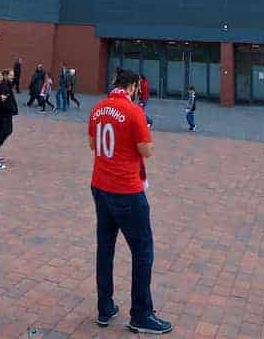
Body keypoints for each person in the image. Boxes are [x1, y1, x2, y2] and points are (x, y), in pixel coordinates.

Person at [88, 69, 172, 334]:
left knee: (105, 246)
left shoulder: (98, 108)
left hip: (100, 185)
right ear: (134, 86)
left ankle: (105, 306)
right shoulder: (134, 112)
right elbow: (146, 150)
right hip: (126, 189)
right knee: (143, 250)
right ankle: (141, 313)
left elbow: (93, 144)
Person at [0, 68, 18, 155]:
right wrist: (8, 107)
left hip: (7, 113)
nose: (13, 77)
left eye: (13, 75)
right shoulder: (3, 85)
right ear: (5, 76)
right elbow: (1, 100)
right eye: (11, 75)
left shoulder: (8, 85)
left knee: (7, 131)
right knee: (2, 132)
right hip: (3, 114)